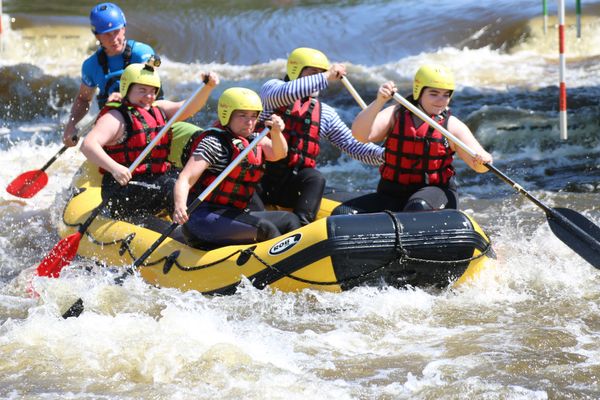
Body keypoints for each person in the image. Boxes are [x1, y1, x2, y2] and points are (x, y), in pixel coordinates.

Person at [333, 64, 493, 214]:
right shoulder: (395, 114)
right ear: (418, 92)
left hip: (434, 194)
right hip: (392, 193)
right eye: (434, 93)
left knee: (417, 207)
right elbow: (360, 135)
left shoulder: (451, 125)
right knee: (343, 213)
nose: (441, 101)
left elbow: (480, 164)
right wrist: (379, 101)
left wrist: (483, 160)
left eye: (446, 95)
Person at [255, 47, 384, 225]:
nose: (318, 78)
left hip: (292, 185)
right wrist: (325, 76)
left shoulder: (325, 114)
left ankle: (300, 226)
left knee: (315, 177)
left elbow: (354, 146)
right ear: (295, 71)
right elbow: (284, 94)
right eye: (312, 72)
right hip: (259, 180)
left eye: (321, 73)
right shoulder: (271, 90)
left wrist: (386, 155)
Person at [80, 62, 219, 220]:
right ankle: (187, 230)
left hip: (153, 179)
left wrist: (207, 88)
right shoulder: (115, 117)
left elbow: (188, 107)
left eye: (153, 91)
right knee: (172, 187)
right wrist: (115, 168)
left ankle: (206, 224)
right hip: (122, 188)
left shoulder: (158, 108)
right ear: (127, 88)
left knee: (189, 181)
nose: (149, 96)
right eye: (142, 90)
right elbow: (88, 145)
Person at [172, 87, 301, 247]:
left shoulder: (255, 139)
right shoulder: (214, 143)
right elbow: (185, 178)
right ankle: (277, 269)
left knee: (290, 220)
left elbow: (279, 153)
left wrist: (276, 132)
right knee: (265, 229)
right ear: (227, 115)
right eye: (242, 115)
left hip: (233, 214)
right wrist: (180, 206)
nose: (249, 122)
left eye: (254, 116)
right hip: (203, 218)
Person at [63, 2, 157, 147]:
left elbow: (148, 85)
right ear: (97, 36)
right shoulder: (91, 65)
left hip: (147, 119)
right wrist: (71, 124)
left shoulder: (142, 53)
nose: (113, 38)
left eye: (116, 31)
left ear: (124, 28)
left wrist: (123, 95)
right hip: (113, 127)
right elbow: (83, 99)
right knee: (88, 146)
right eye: (107, 34)